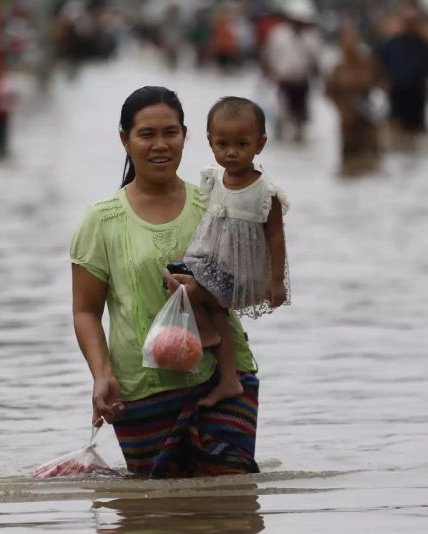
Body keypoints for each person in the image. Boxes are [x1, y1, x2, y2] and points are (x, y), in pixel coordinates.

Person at [70, 86, 261, 478]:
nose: (160, 145)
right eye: (147, 134)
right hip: (142, 388)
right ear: (125, 139)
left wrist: (203, 292)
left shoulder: (214, 205)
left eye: (170, 133)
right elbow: (86, 310)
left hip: (223, 375)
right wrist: (102, 374)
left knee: (231, 506)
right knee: (156, 519)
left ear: (186, 136)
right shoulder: (101, 221)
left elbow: (249, 286)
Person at [174, 96, 289, 408]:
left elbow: (276, 237)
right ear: (210, 142)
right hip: (212, 259)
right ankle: (227, 377)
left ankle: (214, 343)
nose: (232, 152)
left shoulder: (266, 192)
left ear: (260, 143)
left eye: (242, 143)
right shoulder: (214, 178)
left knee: (198, 295)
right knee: (171, 277)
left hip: (242, 271)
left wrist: (276, 281)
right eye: (222, 144)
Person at [325, 24, 385, 172]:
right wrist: (341, 109)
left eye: (352, 42)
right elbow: (329, 93)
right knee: (348, 165)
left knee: (373, 164)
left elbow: (383, 85)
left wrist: (379, 106)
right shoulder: (338, 69)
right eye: (345, 43)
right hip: (348, 125)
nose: (349, 47)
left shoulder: (369, 64)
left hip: (368, 124)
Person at [262, 0, 324, 142]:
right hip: (283, 80)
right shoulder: (278, 34)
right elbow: (269, 55)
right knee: (282, 110)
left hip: (302, 80)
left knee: (301, 112)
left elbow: (317, 60)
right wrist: (266, 75)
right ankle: (281, 134)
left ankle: (299, 134)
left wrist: (319, 79)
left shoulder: (312, 37)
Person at [375, 7, 428, 135]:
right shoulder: (391, 44)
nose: (411, 26)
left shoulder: (424, 45)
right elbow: (378, 63)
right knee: (397, 129)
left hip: (417, 93)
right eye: (408, 22)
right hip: (397, 92)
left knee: (416, 130)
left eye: (414, 22)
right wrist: (382, 81)